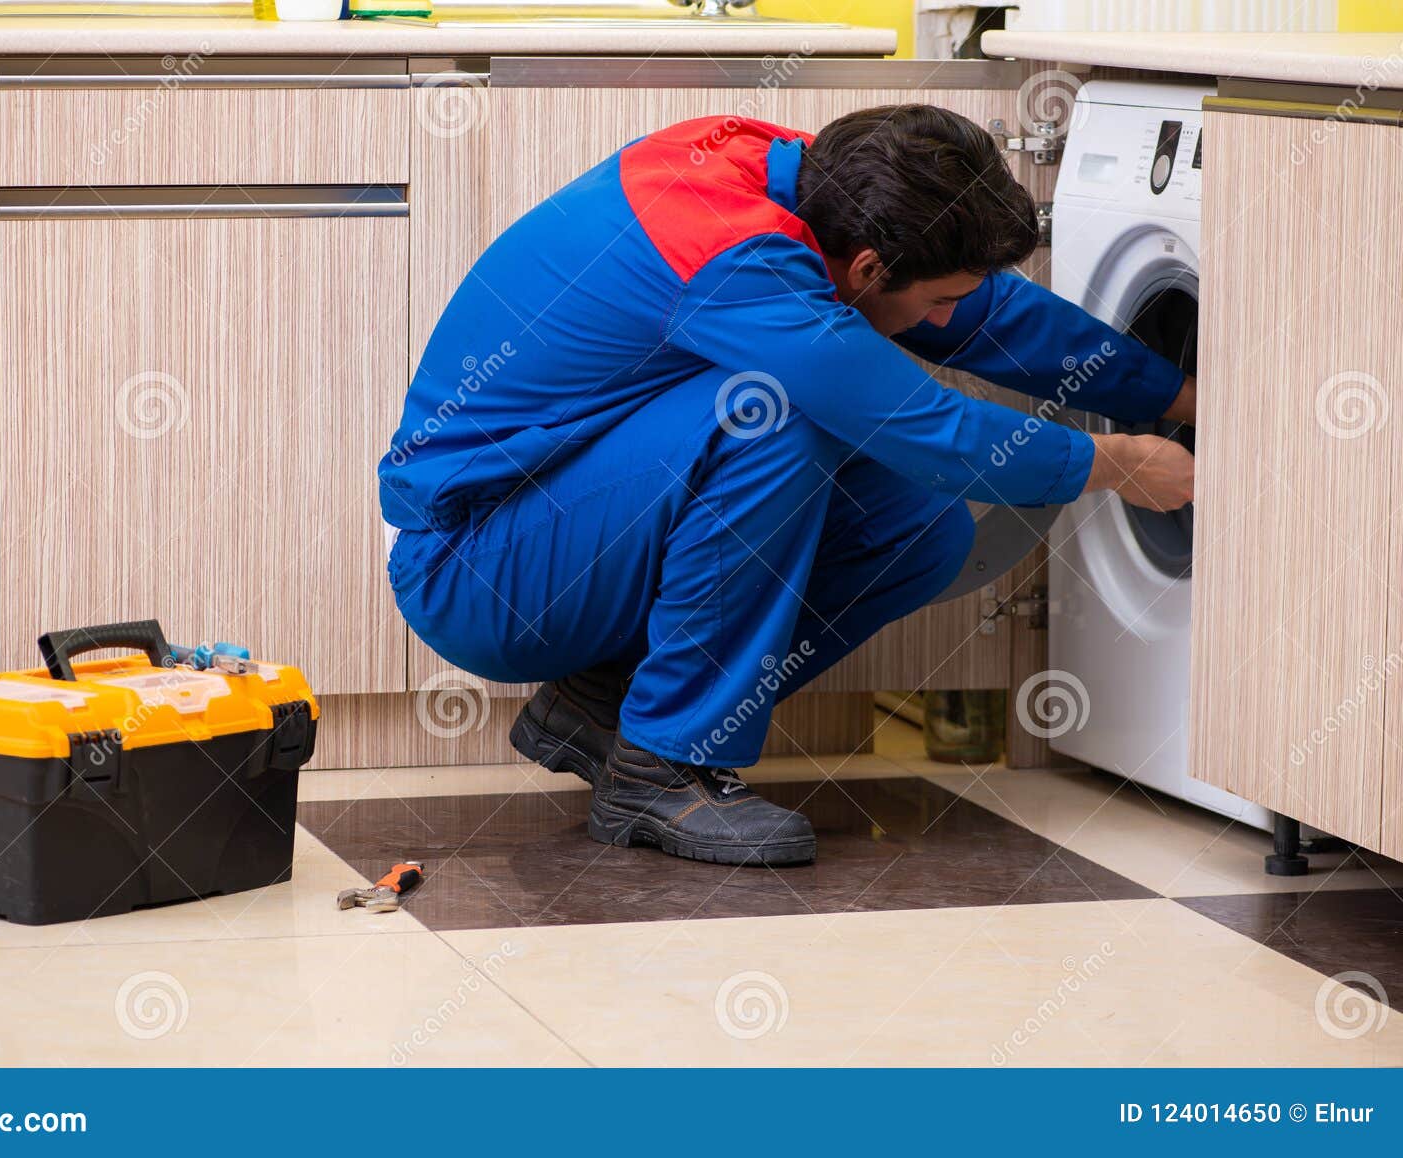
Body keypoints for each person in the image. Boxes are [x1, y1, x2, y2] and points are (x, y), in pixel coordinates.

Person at [378, 106, 1195, 867]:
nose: (949, 319)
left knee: (923, 530)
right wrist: (1118, 465)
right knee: (772, 415)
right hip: (477, 566)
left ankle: (604, 707)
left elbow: (993, 317)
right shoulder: (733, 250)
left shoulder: (806, 179)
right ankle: (664, 766)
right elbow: (919, 424)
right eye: (938, 300)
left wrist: (1175, 394)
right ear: (870, 268)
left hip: (564, 525)